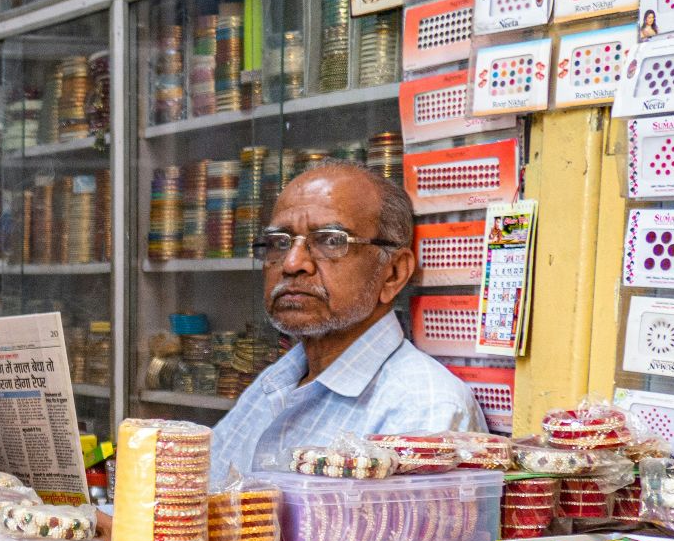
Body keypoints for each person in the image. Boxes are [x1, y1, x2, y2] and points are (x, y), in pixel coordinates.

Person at [208, 162, 486, 479]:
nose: (292, 263)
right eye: (280, 243)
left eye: (331, 241)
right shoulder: (275, 382)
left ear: (393, 274)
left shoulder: (424, 408)